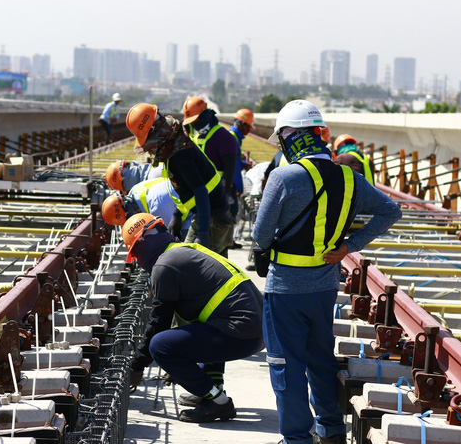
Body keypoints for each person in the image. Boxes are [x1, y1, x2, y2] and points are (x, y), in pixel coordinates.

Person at [252, 99, 401, 444]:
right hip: (323, 288)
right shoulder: (349, 177)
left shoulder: (284, 176)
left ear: (290, 138)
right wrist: (349, 246)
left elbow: (260, 235)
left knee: (285, 365)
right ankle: (331, 429)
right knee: (320, 357)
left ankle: (296, 439)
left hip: (285, 290)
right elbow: (390, 212)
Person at [125, 213, 264, 423]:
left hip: (243, 332)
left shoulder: (164, 266)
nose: (138, 261)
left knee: (160, 346)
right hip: (256, 330)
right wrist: (184, 360)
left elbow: (158, 324)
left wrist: (138, 364)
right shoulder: (182, 252)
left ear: (142, 245)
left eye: (135, 255)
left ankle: (219, 403)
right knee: (203, 327)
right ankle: (212, 390)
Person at [125, 103, 232, 254]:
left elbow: (200, 190)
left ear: (154, 131)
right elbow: (189, 192)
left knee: (202, 266)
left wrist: (202, 234)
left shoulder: (179, 154)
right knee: (192, 261)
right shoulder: (174, 143)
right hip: (208, 213)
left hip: (214, 218)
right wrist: (177, 216)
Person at [182, 97, 239, 256]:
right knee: (194, 253)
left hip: (218, 205)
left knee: (218, 255)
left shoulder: (225, 138)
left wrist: (222, 201)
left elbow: (229, 171)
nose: (193, 124)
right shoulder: (197, 136)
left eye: (195, 120)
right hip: (201, 205)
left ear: (204, 114)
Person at [101, 177, 191, 237]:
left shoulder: (157, 210)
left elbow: (172, 234)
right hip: (187, 183)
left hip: (196, 207)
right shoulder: (135, 189)